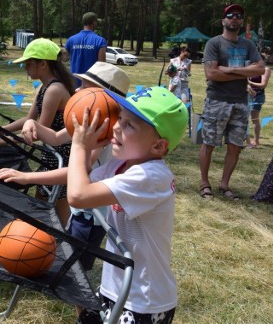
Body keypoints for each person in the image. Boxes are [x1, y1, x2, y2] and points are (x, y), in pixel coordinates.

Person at [0, 61, 130, 274]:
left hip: (94, 216)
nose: (77, 90)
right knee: (71, 263)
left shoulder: (106, 133)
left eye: (85, 86)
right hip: (80, 211)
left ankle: (85, 306)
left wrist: (27, 177)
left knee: (76, 270)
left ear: (103, 96)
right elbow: (56, 138)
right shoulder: (86, 123)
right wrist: (33, 125)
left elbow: (77, 172)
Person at [69, 86, 188, 324]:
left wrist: (80, 146)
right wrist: (29, 178)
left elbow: (78, 195)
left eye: (129, 125)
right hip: (116, 287)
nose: (115, 126)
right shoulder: (121, 166)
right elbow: (80, 177)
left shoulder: (151, 176)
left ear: (158, 146)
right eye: (120, 118)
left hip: (144, 301)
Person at [0, 38, 75, 225]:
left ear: (43, 64)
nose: (25, 67)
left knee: (58, 205)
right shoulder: (43, 87)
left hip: (62, 156)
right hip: (51, 153)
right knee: (43, 201)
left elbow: (39, 129)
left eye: (29, 63)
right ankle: (39, 236)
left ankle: (64, 244)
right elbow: (28, 119)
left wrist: (6, 140)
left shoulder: (55, 90)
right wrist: (0, 130)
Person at [198, 4, 264, 201]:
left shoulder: (248, 45)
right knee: (209, 143)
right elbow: (211, 74)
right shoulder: (214, 43)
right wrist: (243, 72)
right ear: (223, 20)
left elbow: (260, 69)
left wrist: (226, 70)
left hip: (241, 103)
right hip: (217, 101)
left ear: (241, 22)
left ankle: (225, 184)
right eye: (230, 15)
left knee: (235, 146)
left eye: (238, 16)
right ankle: (204, 183)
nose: (234, 18)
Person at [64, 12, 107, 86]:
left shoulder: (71, 40)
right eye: (96, 22)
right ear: (93, 23)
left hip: (73, 82)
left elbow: (64, 58)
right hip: (91, 83)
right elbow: (102, 64)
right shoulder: (100, 41)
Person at [246, 64, 270, 148]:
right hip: (247, 94)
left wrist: (249, 83)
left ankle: (256, 141)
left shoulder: (265, 69)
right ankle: (247, 140)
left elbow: (263, 85)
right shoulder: (251, 68)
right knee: (245, 118)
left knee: (254, 118)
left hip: (257, 96)